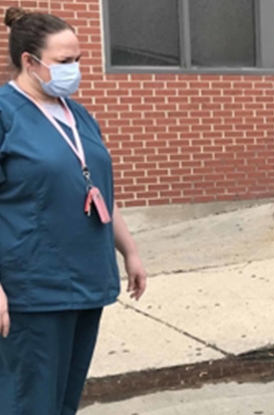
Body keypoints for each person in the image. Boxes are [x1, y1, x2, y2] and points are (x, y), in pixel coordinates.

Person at [0, 7, 147, 414]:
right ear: (30, 61)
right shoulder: (6, 114)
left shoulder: (77, 115)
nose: (74, 70)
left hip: (86, 280)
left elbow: (98, 191)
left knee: (65, 400)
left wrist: (129, 251)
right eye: (64, 61)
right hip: (33, 289)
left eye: (78, 59)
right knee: (28, 401)